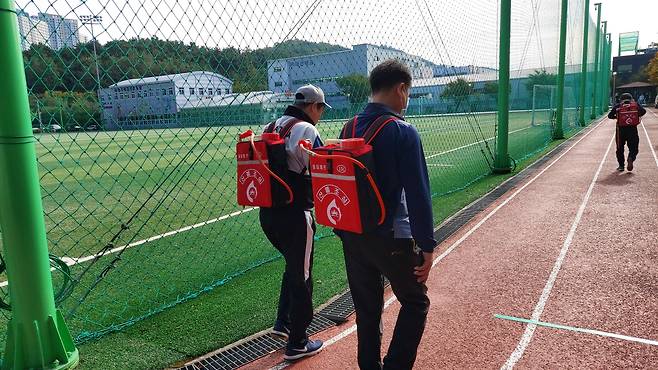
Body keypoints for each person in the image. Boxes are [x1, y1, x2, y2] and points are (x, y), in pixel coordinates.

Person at [336, 59, 437, 370]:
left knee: (367, 308)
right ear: (401, 89)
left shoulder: (349, 126)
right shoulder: (402, 131)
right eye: (407, 93)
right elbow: (419, 195)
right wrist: (427, 247)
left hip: (352, 234)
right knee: (416, 303)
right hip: (391, 236)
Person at [259, 84, 330, 360]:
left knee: (293, 265)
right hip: (296, 214)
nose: (321, 114)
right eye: (321, 108)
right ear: (313, 106)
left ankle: (283, 323)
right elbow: (323, 165)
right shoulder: (307, 130)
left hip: (268, 215)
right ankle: (298, 342)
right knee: (303, 276)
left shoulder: (271, 125)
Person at [608, 92, 646, 172]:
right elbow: (643, 111)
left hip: (620, 130)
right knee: (634, 147)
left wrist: (617, 116)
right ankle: (631, 158)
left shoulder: (618, 106)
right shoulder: (635, 105)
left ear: (621, 99)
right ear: (631, 99)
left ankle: (621, 166)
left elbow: (610, 116)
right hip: (632, 130)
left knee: (620, 148)